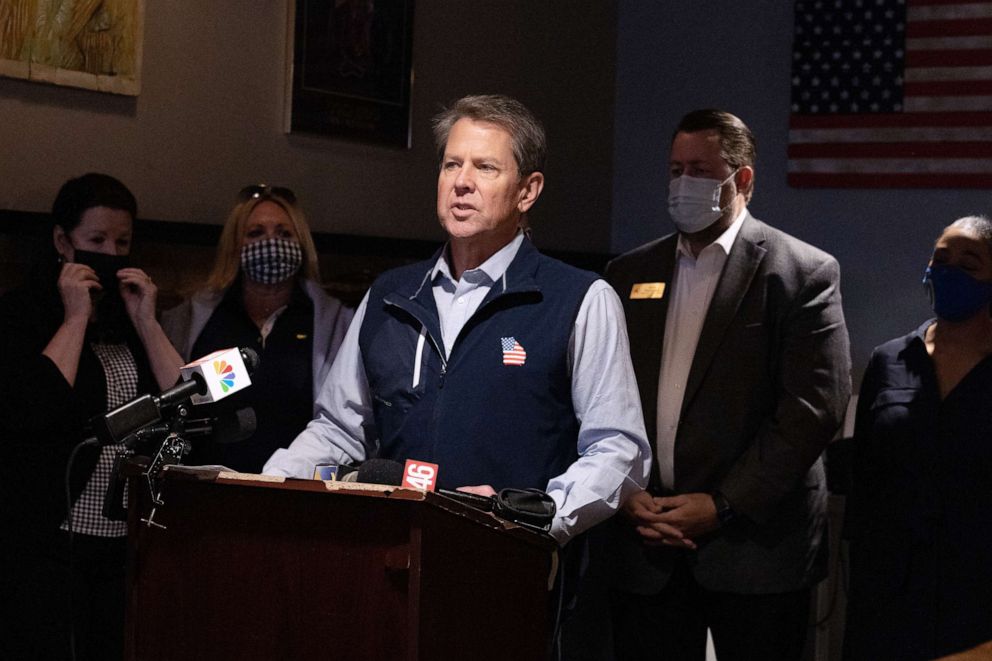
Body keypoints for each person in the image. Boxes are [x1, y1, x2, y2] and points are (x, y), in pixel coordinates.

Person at [263, 93, 650, 549]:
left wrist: (534, 517)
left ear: (528, 191)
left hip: (513, 564)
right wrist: (268, 482)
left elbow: (618, 449)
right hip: (394, 560)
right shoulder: (390, 295)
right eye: (451, 165)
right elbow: (339, 430)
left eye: (485, 168)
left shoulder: (580, 299)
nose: (461, 182)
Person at [603, 109, 851, 661]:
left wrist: (722, 505)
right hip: (646, 542)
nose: (681, 183)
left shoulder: (801, 272)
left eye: (698, 169)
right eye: (674, 169)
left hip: (755, 548)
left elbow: (814, 408)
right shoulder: (626, 274)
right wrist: (628, 494)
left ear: (742, 179)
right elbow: (603, 396)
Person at [0, 173, 184, 660]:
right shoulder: (21, 315)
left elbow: (187, 403)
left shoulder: (129, 318)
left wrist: (146, 321)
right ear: (63, 241)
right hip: (47, 545)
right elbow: (31, 406)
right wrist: (75, 317)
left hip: (127, 539)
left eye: (122, 242)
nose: (112, 253)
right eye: (96, 240)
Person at [843, 216, 992, 660]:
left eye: (969, 264)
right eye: (941, 259)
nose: (949, 271)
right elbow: (865, 473)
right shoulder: (890, 359)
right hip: (890, 586)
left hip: (976, 591)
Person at [163, 185, 353, 473]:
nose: (271, 243)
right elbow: (176, 396)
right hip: (203, 487)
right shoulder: (198, 318)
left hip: (292, 491)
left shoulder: (332, 322)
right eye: (256, 233)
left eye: (284, 234)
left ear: (301, 244)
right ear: (236, 246)